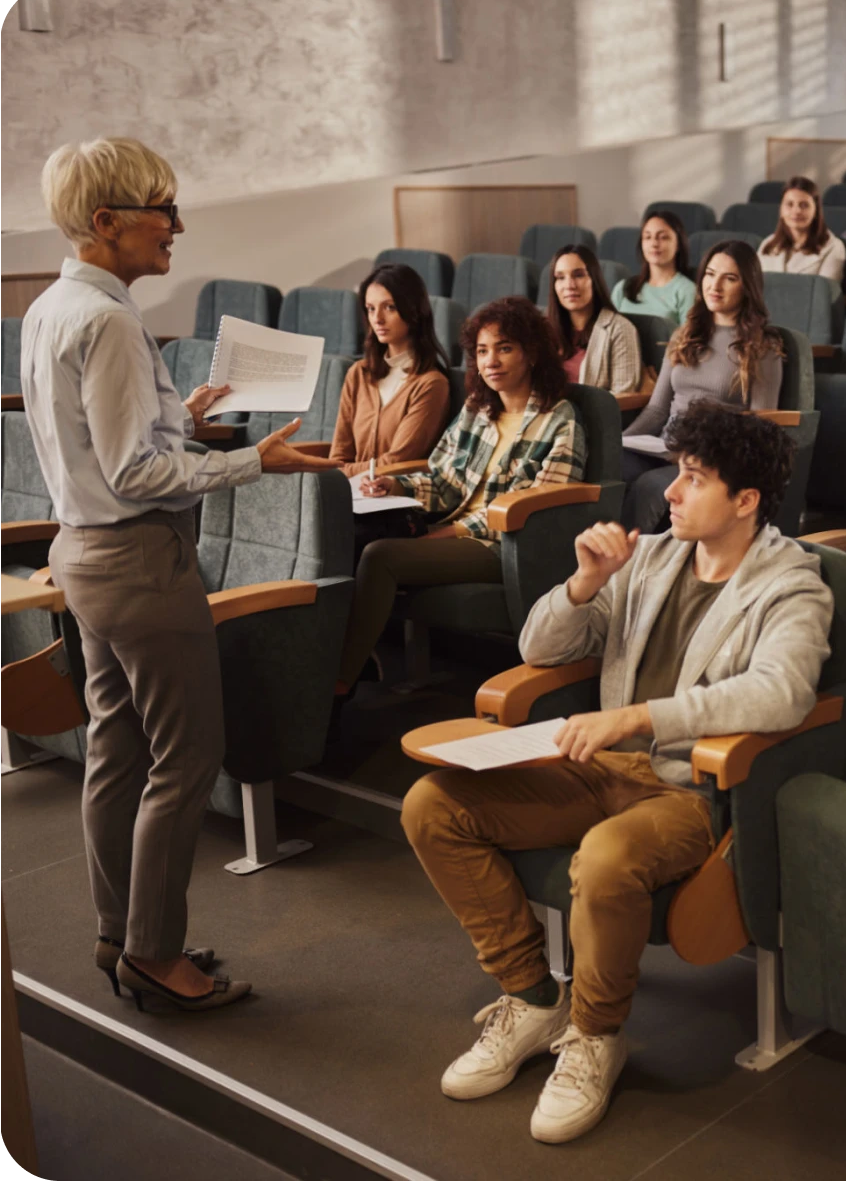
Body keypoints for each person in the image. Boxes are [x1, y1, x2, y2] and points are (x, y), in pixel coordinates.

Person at [401, 402, 834, 1144]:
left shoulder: (794, 581)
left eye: (692, 479)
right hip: (597, 767)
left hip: (690, 788)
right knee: (432, 806)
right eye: (674, 474)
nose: (668, 491)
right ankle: (533, 998)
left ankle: (597, 1036)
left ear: (746, 500)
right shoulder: (654, 557)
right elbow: (542, 644)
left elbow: (782, 690)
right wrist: (583, 580)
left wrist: (641, 716)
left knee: (604, 860)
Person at [21, 138, 334, 1012]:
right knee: (185, 757)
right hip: (139, 562)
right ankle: (156, 956)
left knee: (116, 753)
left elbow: (96, 448)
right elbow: (134, 477)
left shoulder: (52, 307)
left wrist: (177, 416)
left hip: (85, 557)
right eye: (163, 211)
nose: (178, 226)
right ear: (106, 221)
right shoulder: (110, 319)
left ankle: (120, 933)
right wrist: (250, 465)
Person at [336, 296, 586, 689]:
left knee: (381, 556)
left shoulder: (560, 422)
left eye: (504, 349)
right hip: (446, 527)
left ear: (531, 353)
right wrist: (396, 484)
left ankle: (336, 684)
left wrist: (449, 534)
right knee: (344, 533)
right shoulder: (478, 410)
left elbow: (538, 513)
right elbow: (442, 477)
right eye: (482, 351)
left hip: (502, 546)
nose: (491, 362)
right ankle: (347, 661)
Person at [619, 240, 784, 534]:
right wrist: (619, 442)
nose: (715, 285)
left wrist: (698, 453)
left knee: (649, 486)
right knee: (610, 469)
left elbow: (761, 426)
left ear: (748, 287)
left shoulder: (762, 347)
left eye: (729, 278)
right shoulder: (684, 333)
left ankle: (633, 566)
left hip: (710, 457)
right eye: (709, 274)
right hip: (663, 448)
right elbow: (657, 410)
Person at [329, 264, 450, 480]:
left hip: (396, 501)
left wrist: (339, 473)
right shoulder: (358, 373)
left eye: (390, 307)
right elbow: (339, 455)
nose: (377, 319)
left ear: (413, 310)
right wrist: (338, 473)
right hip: (350, 494)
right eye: (371, 308)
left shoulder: (432, 384)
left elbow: (397, 462)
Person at [546, 245, 644, 394]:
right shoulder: (544, 329)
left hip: (591, 416)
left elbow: (622, 395)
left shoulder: (619, 329)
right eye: (560, 278)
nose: (569, 285)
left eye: (578, 275)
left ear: (594, 279)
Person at [609, 211, 698, 325]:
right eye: (648, 237)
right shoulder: (623, 288)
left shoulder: (687, 291)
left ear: (678, 244)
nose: (654, 243)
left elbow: (688, 340)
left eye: (663, 237)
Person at [757, 176, 846, 282]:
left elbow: (824, 294)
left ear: (816, 211)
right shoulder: (767, 244)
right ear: (781, 210)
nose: (796, 211)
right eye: (789, 204)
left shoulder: (834, 248)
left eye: (804, 205)